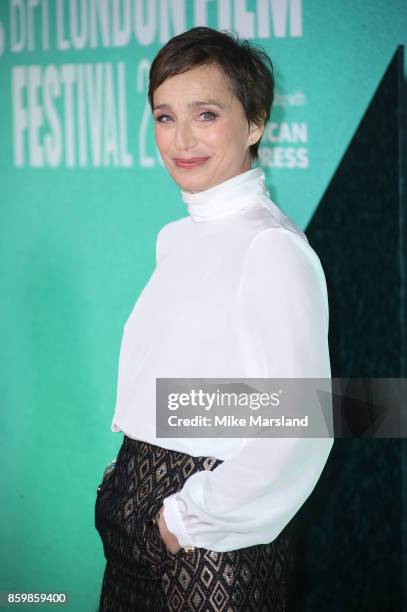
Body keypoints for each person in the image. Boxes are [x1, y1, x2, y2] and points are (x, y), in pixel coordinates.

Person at [95, 26, 334, 612]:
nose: (181, 139)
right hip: (149, 532)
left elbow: (303, 423)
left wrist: (182, 517)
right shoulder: (180, 237)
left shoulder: (270, 247)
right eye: (164, 116)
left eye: (205, 114)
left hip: (207, 551)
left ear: (255, 122)